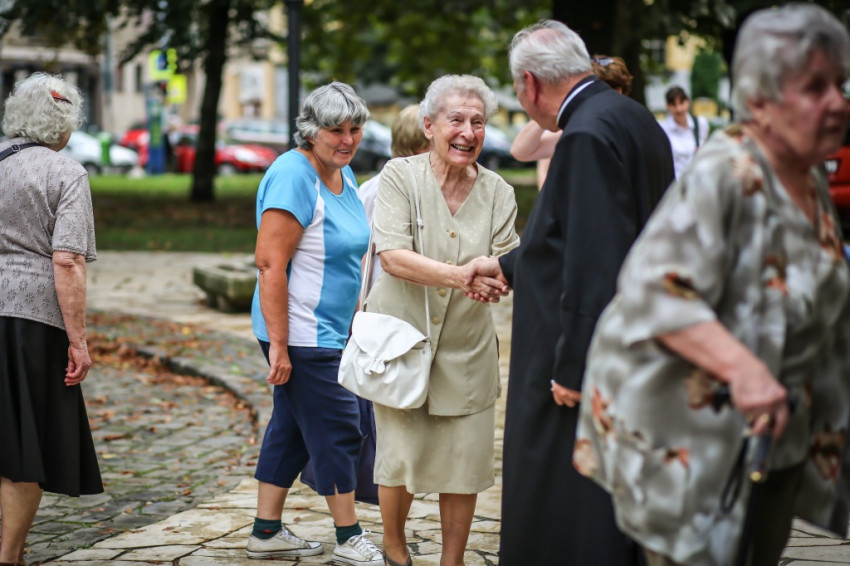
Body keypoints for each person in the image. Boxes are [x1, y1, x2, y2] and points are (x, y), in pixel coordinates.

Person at [575, 5, 850, 565]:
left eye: (840, 85)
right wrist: (745, 369)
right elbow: (655, 290)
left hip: (774, 438)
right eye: (815, 87)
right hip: (693, 446)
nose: (838, 102)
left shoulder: (805, 174)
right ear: (759, 100)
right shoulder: (725, 172)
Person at [467, 20, 674, 565]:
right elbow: (580, 231)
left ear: (531, 84)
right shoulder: (632, 117)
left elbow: (596, 258)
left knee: (567, 498)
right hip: (633, 337)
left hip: (577, 350)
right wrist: (507, 264)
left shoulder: (583, 136)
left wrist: (575, 366)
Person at [367, 74, 519, 566]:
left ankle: (452, 562)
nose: (468, 133)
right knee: (399, 457)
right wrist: (462, 276)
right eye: (456, 120)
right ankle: (396, 550)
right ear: (429, 126)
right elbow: (393, 256)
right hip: (403, 343)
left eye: (478, 122)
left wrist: (498, 278)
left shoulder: (499, 191)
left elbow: (506, 260)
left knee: (464, 465)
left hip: (467, 349)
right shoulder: (399, 177)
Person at [246, 81, 383, 566]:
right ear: (310, 130)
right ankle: (349, 536)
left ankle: (266, 532)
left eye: (355, 129)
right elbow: (270, 265)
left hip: (333, 328)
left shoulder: (342, 173)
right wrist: (280, 346)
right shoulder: (293, 176)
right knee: (339, 427)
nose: (347, 139)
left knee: (291, 428)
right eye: (335, 130)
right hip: (302, 332)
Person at [0, 73, 102, 566]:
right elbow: (68, 260)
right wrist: (78, 341)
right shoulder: (66, 173)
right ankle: (8, 556)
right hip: (32, 322)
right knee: (26, 443)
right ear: (64, 126)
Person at [510, 54, 633, 188]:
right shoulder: (576, 128)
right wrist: (553, 108)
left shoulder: (629, 129)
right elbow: (520, 151)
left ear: (618, 92)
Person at [357, 104, 431, 289]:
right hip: (386, 296)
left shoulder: (371, 186)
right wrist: (360, 303)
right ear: (419, 146)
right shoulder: (383, 188)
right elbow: (364, 252)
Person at [659, 85, 710, 178]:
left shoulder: (700, 123)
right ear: (668, 106)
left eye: (681, 103)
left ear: (688, 102)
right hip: (675, 182)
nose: (679, 109)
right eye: (673, 105)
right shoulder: (663, 129)